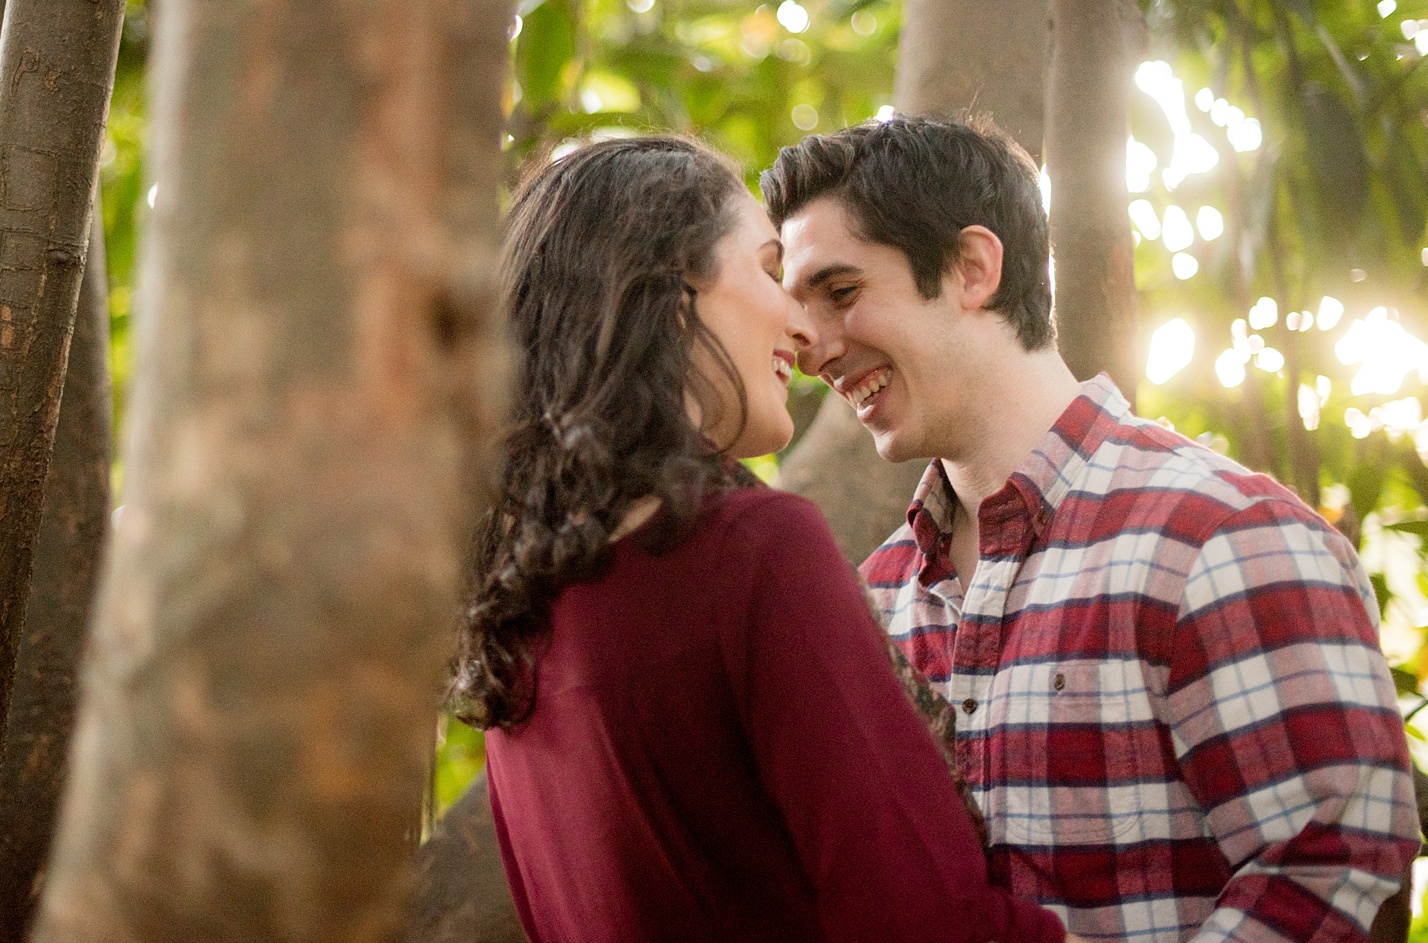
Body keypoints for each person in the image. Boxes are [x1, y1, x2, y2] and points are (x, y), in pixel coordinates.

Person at [766, 115, 1419, 943]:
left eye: (842, 292)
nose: (814, 345)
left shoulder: (1222, 537)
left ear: (972, 268)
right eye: (799, 308)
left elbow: (1340, 880)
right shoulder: (875, 601)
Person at [452, 135, 1072, 943]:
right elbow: (928, 920)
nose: (799, 326)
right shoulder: (750, 551)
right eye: (768, 269)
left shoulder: (516, 618)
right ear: (673, 294)